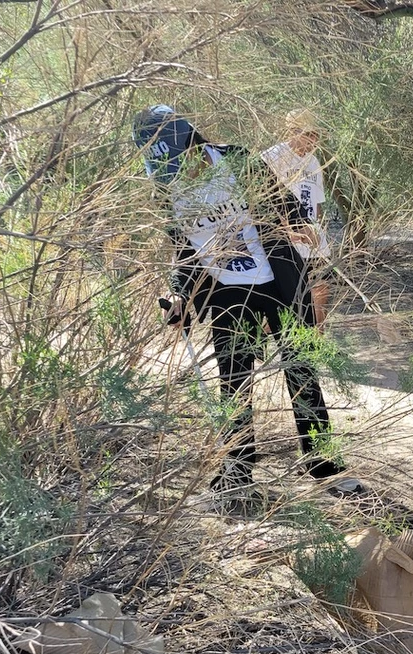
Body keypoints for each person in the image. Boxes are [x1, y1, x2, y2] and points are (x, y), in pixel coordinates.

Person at [132, 105, 362, 504]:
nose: (177, 172)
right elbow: (184, 252)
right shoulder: (167, 192)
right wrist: (181, 295)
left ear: (190, 142)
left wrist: (296, 223)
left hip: (278, 278)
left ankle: (322, 462)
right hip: (225, 291)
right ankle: (237, 469)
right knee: (234, 382)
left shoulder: (234, 159)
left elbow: (281, 199)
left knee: (301, 367)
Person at [260, 108, 334, 327]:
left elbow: (317, 203)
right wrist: (286, 231)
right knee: (286, 299)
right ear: (292, 132)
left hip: (312, 239)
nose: (313, 140)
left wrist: (319, 230)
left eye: (316, 135)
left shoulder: (314, 162)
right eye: (308, 134)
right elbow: (262, 203)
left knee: (321, 290)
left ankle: (320, 345)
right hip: (283, 239)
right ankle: (260, 339)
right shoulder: (271, 157)